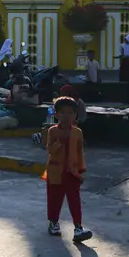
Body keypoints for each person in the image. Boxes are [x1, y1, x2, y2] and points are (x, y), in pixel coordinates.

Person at [43, 96, 92, 243]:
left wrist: (81, 169)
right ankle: (53, 223)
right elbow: (50, 149)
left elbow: (79, 151)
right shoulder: (52, 131)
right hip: (55, 172)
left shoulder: (77, 132)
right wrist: (60, 141)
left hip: (72, 172)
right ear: (56, 114)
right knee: (54, 199)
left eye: (70, 113)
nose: (66, 116)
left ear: (75, 115)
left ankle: (78, 228)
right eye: (62, 112)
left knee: (74, 201)